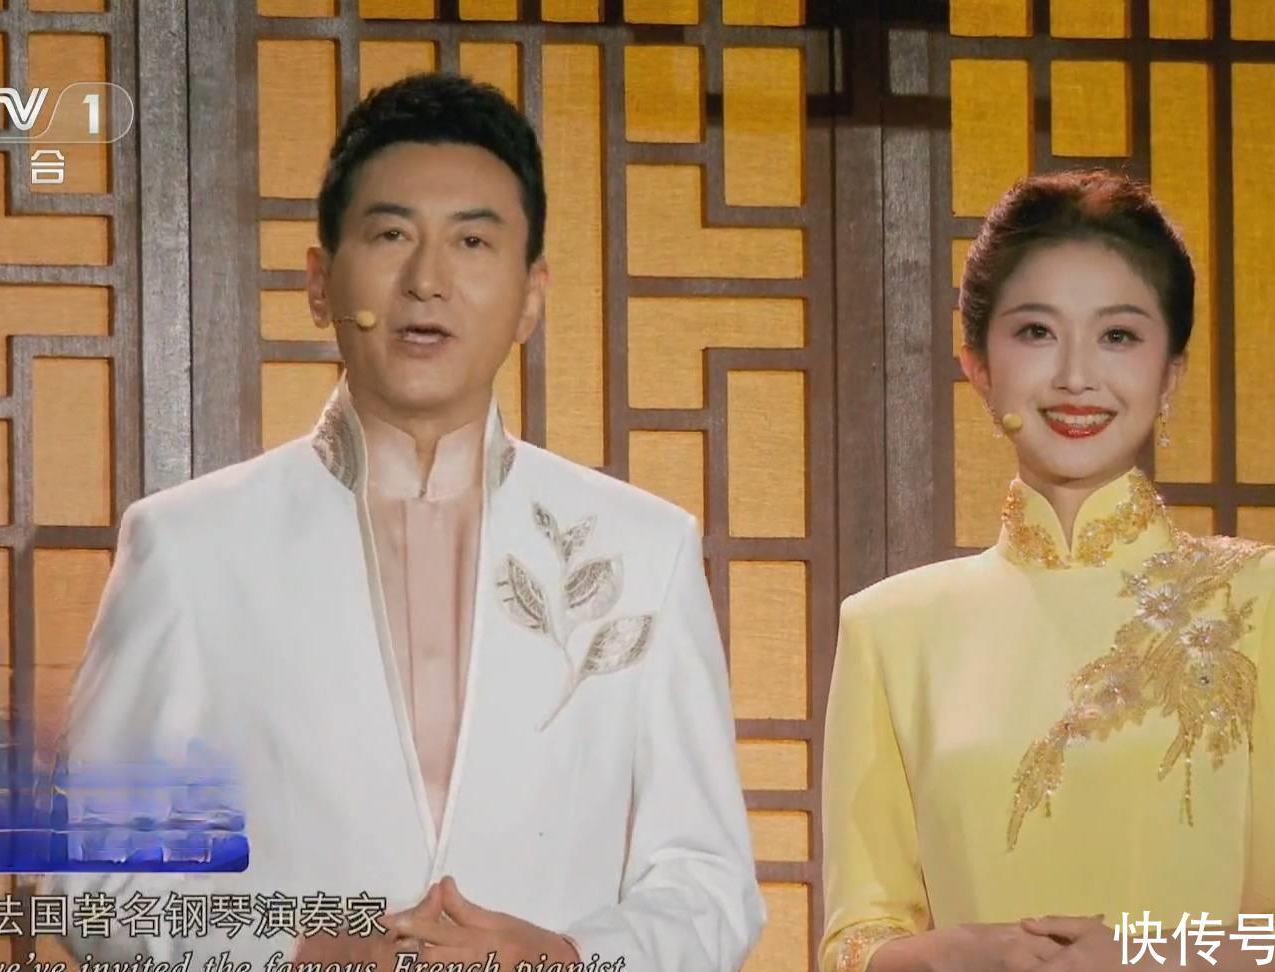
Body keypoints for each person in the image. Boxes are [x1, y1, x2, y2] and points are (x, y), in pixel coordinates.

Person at [46, 72, 763, 971]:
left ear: (531, 295)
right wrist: (301, 955)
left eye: (472, 241)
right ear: (319, 282)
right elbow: (96, 881)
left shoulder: (644, 551)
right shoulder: (189, 548)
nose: (427, 282)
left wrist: (564, 955)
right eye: (391, 235)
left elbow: (709, 885)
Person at [818, 170, 1275, 972]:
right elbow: (855, 944)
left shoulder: (1267, 599)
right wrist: (960, 954)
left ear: (1170, 372)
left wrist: (1145, 959)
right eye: (1037, 331)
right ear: (977, 363)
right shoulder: (888, 629)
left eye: (1119, 337)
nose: (1076, 376)